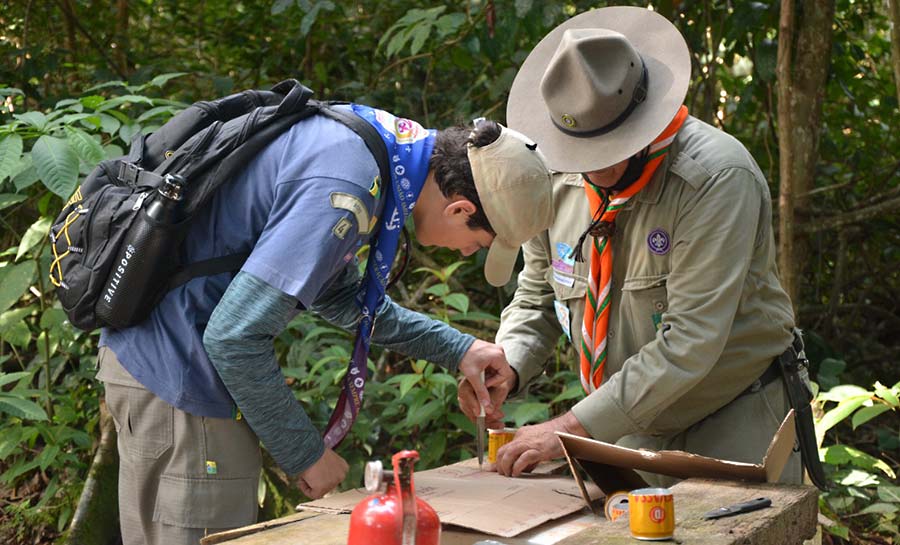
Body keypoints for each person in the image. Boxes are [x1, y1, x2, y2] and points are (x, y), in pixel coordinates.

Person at [96, 103, 553, 545]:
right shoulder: (346, 186)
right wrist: (305, 454)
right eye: (479, 243)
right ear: (459, 210)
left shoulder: (378, 146)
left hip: (170, 363)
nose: (469, 254)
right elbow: (234, 338)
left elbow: (339, 298)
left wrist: (459, 349)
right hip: (180, 371)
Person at [458, 6, 805, 485]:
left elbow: (690, 341)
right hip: (623, 430)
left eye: (607, 151)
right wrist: (507, 366)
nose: (590, 168)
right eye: (578, 151)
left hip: (732, 422)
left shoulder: (715, 179)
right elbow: (538, 293)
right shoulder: (556, 176)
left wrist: (567, 428)